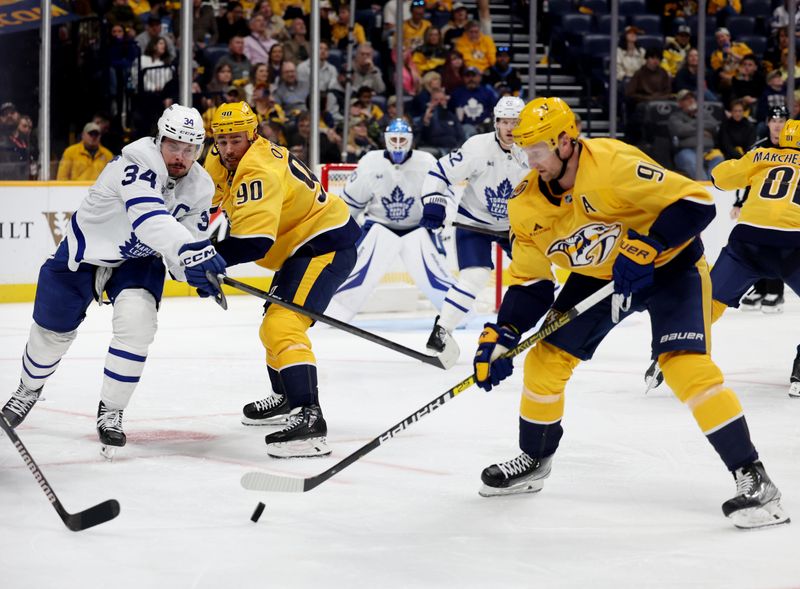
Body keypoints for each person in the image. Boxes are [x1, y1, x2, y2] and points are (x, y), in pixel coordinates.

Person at [473, 96, 788, 530]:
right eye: (526, 151)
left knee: (685, 367)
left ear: (566, 141)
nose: (531, 160)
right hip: (599, 276)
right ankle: (535, 458)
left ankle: (753, 476)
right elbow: (531, 283)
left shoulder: (612, 162)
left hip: (671, 264)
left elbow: (697, 203)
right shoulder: (526, 203)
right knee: (544, 360)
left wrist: (650, 244)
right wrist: (503, 333)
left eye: (538, 149)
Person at [1, 105, 223, 458]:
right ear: (158, 139)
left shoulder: (200, 186)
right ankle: (28, 388)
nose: (181, 156)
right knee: (51, 334)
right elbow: (150, 221)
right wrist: (193, 252)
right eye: (173, 145)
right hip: (86, 252)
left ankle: (112, 411)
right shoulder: (133, 164)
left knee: (137, 326)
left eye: (190, 148)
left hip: (139, 261)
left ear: (200, 149)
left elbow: (183, 251)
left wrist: (197, 273)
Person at [205, 102, 361, 457]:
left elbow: (255, 242)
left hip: (324, 244)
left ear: (253, 134)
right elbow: (204, 204)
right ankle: (286, 396)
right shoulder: (221, 157)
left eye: (236, 141)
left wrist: (207, 258)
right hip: (299, 247)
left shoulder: (259, 170)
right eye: (222, 141)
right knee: (271, 325)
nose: (228, 149)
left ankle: (308, 417)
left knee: (282, 325)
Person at [421, 96, 527, 354]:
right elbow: (441, 173)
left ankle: (556, 322)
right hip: (474, 220)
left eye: (516, 122)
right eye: (505, 122)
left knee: (537, 275)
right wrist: (434, 202)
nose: (510, 128)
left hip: (516, 226)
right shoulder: (478, 147)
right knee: (475, 276)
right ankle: (442, 330)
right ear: (496, 122)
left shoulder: (534, 149)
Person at [706, 119, 800, 399]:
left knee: (709, 299)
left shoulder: (760, 155)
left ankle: (681, 348)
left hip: (749, 239)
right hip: (794, 241)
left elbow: (719, 178)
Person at [326, 119, 452, 322]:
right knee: (357, 271)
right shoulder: (370, 162)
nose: (398, 143)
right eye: (394, 138)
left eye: (403, 139)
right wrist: (341, 234)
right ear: (386, 139)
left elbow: (442, 196)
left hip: (417, 228)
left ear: (411, 140)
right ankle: (335, 312)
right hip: (379, 225)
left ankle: (455, 315)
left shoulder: (426, 162)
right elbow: (351, 204)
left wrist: (439, 216)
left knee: (437, 275)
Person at [732, 105, 788, 313]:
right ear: (767, 123)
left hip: (786, 208)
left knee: (776, 247)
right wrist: (739, 202)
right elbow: (745, 176)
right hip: (760, 206)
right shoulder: (759, 148)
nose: (777, 125)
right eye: (774, 120)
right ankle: (760, 288)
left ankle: (776, 291)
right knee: (755, 246)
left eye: (782, 121)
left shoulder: (796, 148)